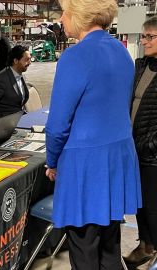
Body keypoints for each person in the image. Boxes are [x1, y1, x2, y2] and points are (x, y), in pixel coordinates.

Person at [45, 0, 142, 269]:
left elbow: (57, 125)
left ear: (79, 15)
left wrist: (52, 162)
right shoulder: (121, 52)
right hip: (117, 157)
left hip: (85, 164)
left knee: (84, 245)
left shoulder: (76, 57)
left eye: (64, 13)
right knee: (109, 243)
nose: (61, 19)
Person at [124, 16, 157, 268]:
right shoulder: (141, 65)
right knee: (140, 205)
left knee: (154, 208)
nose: (144, 41)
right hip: (134, 149)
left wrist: (150, 145)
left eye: (150, 37)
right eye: (144, 36)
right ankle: (145, 246)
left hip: (152, 154)